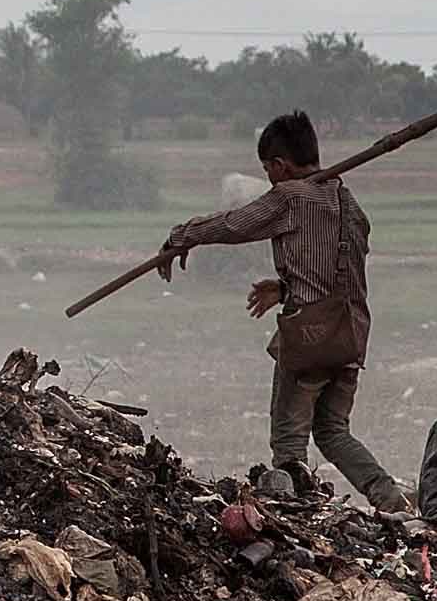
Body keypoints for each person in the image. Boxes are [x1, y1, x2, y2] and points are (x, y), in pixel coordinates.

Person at [159, 110, 412, 511]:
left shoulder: (290, 196)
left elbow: (235, 225)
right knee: (333, 431)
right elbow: (341, 271)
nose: (269, 178)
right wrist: (286, 287)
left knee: (288, 447)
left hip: (310, 340)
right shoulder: (347, 201)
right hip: (350, 336)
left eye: (268, 170)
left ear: (279, 165)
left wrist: (181, 236)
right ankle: (390, 499)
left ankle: (298, 520)